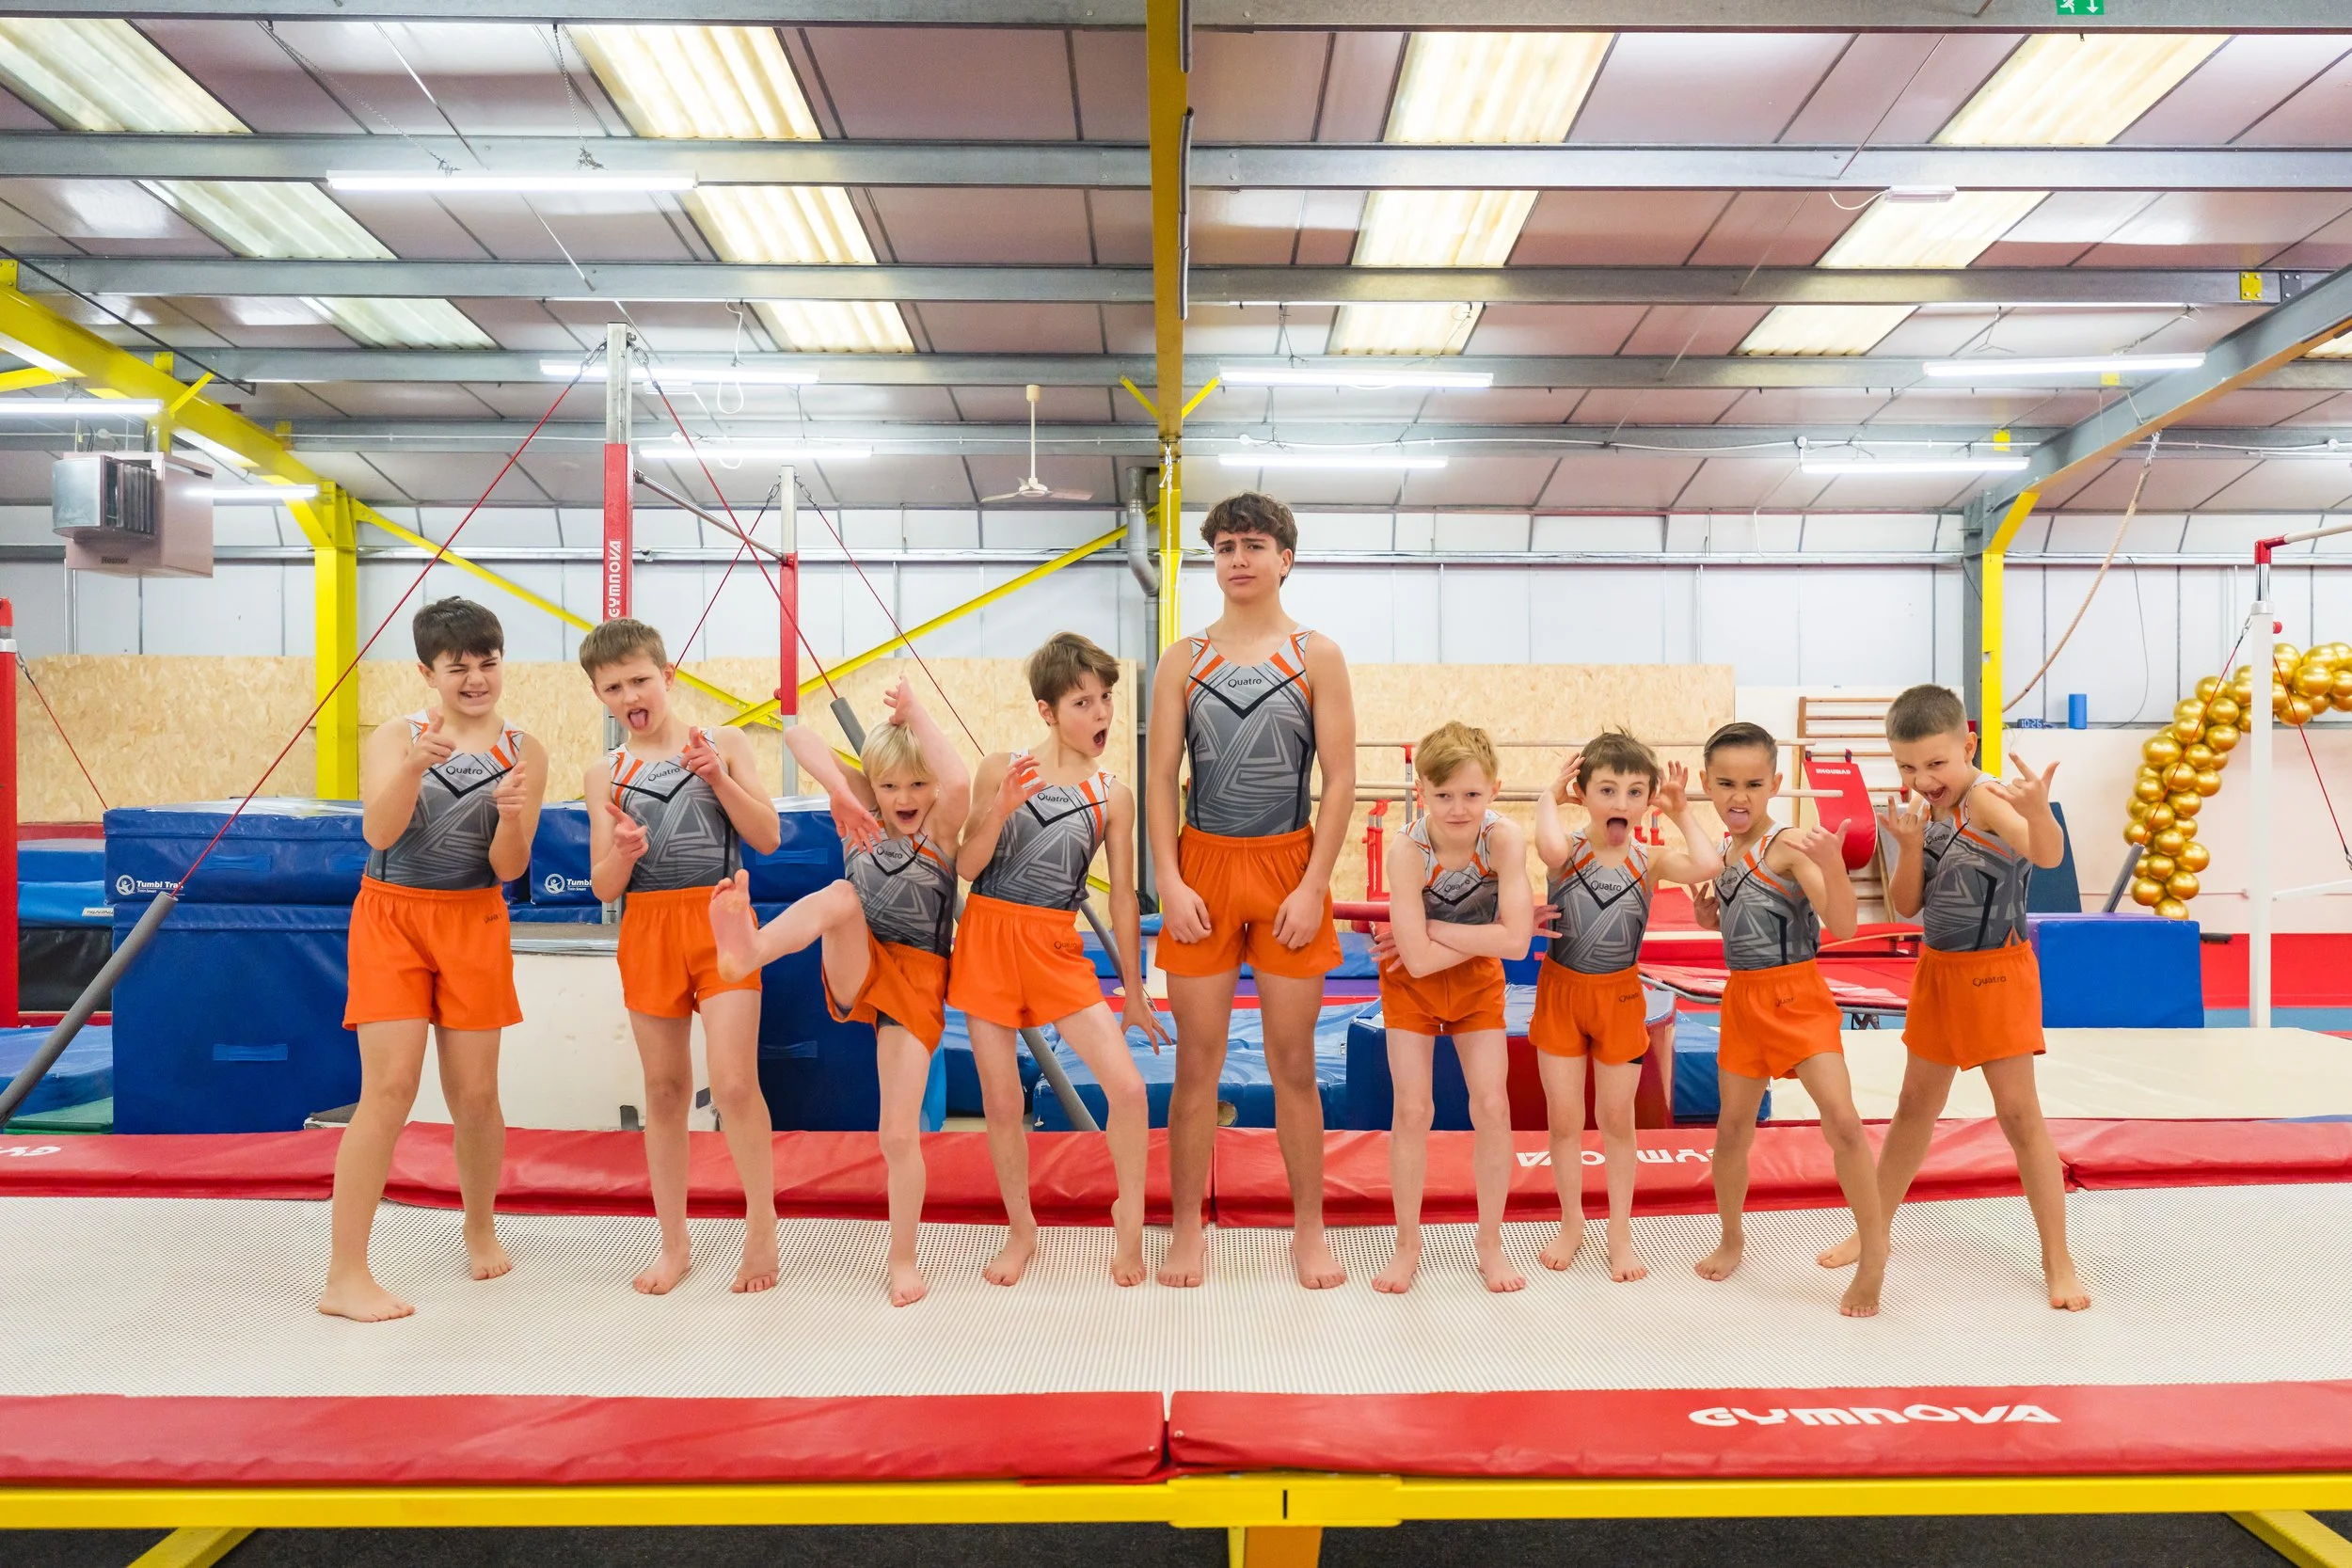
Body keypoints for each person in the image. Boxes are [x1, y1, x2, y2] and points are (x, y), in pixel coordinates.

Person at [1818, 685, 2089, 1311]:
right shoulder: (1923, 812)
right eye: (1907, 766)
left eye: (1936, 763)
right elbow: (1908, 904)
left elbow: (2045, 855)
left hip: (1997, 974)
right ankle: (1872, 1229)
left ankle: (2059, 1259)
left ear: (1967, 745)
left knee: (2019, 1115)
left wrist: (2040, 811)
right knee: (1914, 1105)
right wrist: (1909, 845)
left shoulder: (1990, 798)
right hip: (1938, 974)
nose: (1922, 778)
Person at [708, 677, 969, 1307]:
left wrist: (916, 713)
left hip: (917, 978)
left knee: (897, 1136)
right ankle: (751, 951)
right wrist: (838, 789)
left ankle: (902, 1257)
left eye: (915, 784)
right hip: (858, 957)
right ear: (870, 785)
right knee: (843, 896)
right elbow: (798, 735)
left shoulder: (940, 826)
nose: (903, 798)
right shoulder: (859, 808)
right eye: (888, 786)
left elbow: (958, 780)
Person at [1151, 491, 1356, 1291]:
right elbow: (1161, 776)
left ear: (1285, 559)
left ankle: (1310, 1230)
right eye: (1226, 545)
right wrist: (1167, 877)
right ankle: (1186, 1229)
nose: (1238, 557)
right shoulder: (1184, 657)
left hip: (1285, 869)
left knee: (1293, 1063)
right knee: (1197, 1064)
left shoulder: (1317, 655)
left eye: (1254, 544)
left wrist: (1313, 886)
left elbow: (1338, 783)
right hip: (1201, 866)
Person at [323, 597, 546, 1323]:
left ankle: (479, 1223)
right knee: (388, 1088)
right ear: (428, 672)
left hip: (474, 915)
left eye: (488, 663)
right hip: (392, 914)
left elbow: (510, 866)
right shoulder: (398, 736)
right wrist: (415, 765)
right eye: (459, 668)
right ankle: (345, 1274)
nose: (476, 679)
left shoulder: (525, 750)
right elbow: (379, 830)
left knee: (476, 1095)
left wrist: (511, 813)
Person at [951, 632, 1168, 1288]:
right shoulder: (1001, 768)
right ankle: (1022, 1230)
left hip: (1054, 945)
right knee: (1000, 1098)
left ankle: (1127, 1221)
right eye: (1082, 701)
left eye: (1106, 698)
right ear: (1047, 710)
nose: (1100, 713)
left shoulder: (1112, 794)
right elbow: (965, 864)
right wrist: (999, 810)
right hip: (988, 938)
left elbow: (1126, 896)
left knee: (1128, 1090)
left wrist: (1134, 989)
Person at [581, 617, 784, 1296]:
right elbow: (602, 883)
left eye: (640, 679)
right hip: (648, 928)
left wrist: (721, 778)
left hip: (720, 917)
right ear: (600, 695)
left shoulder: (721, 741)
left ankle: (761, 1223)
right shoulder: (605, 772)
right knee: (664, 1092)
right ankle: (675, 1242)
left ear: (666, 677)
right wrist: (624, 853)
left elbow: (770, 835)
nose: (630, 694)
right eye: (613, 687)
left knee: (732, 1083)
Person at [1687, 721, 1889, 1317]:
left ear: (1776, 783)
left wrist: (1834, 868)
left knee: (1844, 1123)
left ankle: (1874, 1251)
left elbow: (1845, 928)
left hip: (1798, 996)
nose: (1739, 796)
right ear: (1707, 784)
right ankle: (1731, 1237)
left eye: (1753, 783)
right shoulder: (1724, 850)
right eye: (1725, 784)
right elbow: (1735, 921)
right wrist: (1708, 915)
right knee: (1732, 1130)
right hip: (1744, 1000)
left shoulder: (1792, 847)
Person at [1529, 730, 1720, 1283]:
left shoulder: (1650, 859)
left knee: (1616, 1121)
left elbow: (1707, 865)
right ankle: (1571, 1222)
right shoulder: (1568, 851)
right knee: (1564, 1120)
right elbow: (1546, 849)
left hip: (1619, 997)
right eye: (1607, 790)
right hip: (1562, 995)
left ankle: (1619, 1232)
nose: (1621, 804)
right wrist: (1547, 794)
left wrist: (1682, 813)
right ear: (1582, 793)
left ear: (1648, 801)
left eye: (1636, 792)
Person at [1367, 723, 1539, 1295]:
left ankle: (1489, 1242)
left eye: (1470, 795)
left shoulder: (1505, 839)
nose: (1458, 808)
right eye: (1443, 796)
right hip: (1411, 988)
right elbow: (1412, 961)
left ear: (1494, 788)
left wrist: (1435, 924)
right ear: (1423, 794)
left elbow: (1517, 945)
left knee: (1492, 1105)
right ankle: (1407, 1243)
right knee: (1413, 1111)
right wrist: (1482, 930)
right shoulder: (1408, 850)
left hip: (1477, 985)